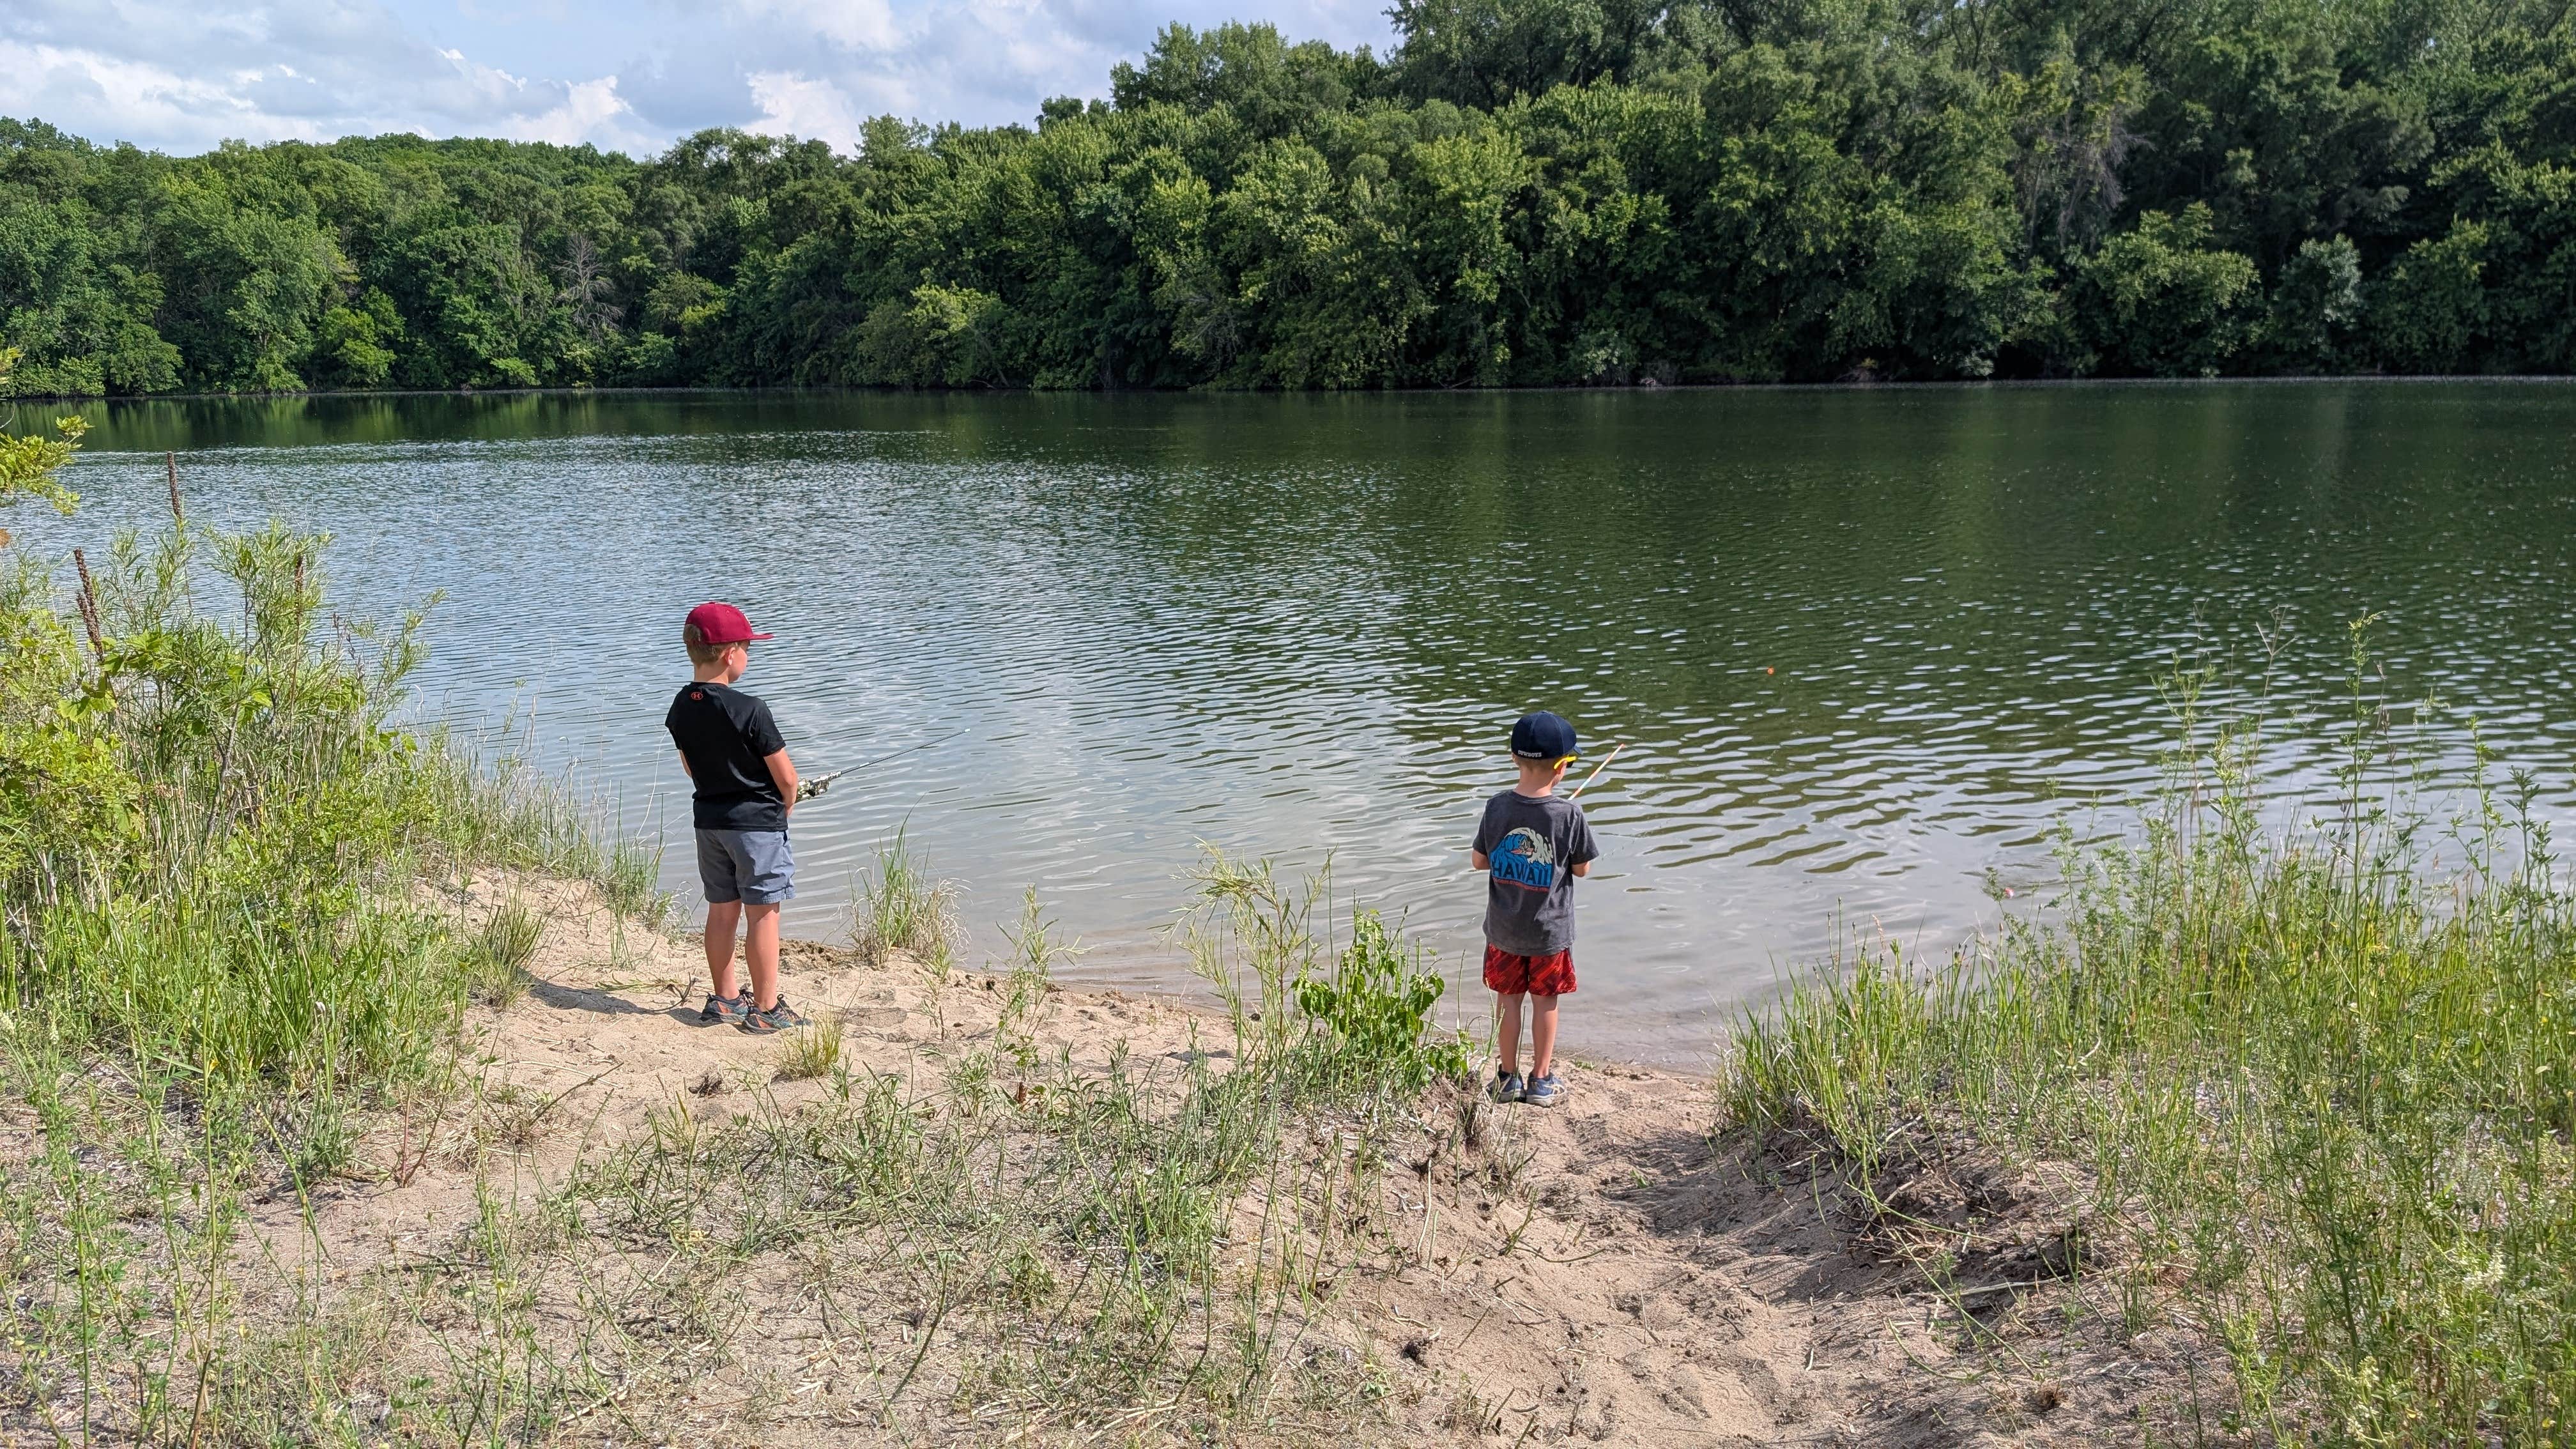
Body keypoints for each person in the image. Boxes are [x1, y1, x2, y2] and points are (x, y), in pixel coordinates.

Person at [665, 601, 809, 1034]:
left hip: (709, 823)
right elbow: (787, 778)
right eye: (748, 647)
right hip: (756, 828)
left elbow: (691, 767)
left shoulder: (680, 707)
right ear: (731, 654)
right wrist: (786, 804)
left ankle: (726, 1000)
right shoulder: (752, 709)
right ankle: (766, 1009)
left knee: (721, 911)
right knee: (763, 913)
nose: (748, 655)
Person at [1469, 710, 1599, 1108]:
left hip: (1505, 932)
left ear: (1514, 759)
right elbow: (1583, 868)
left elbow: (1479, 861)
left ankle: (1507, 1079)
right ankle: (1541, 1081)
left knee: (1508, 1000)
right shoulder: (1570, 814)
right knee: (1546, 1001)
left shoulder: (1496, 807)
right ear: (1561, 768)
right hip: (1549, 935)